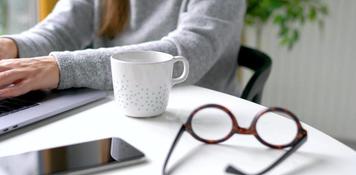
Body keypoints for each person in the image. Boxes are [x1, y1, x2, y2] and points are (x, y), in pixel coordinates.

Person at [0, 0, 245, 99]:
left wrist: (60, 68)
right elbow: (62, 30)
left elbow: (186, 53)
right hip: (116, 107)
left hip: (196, 119)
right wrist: (12, 47)